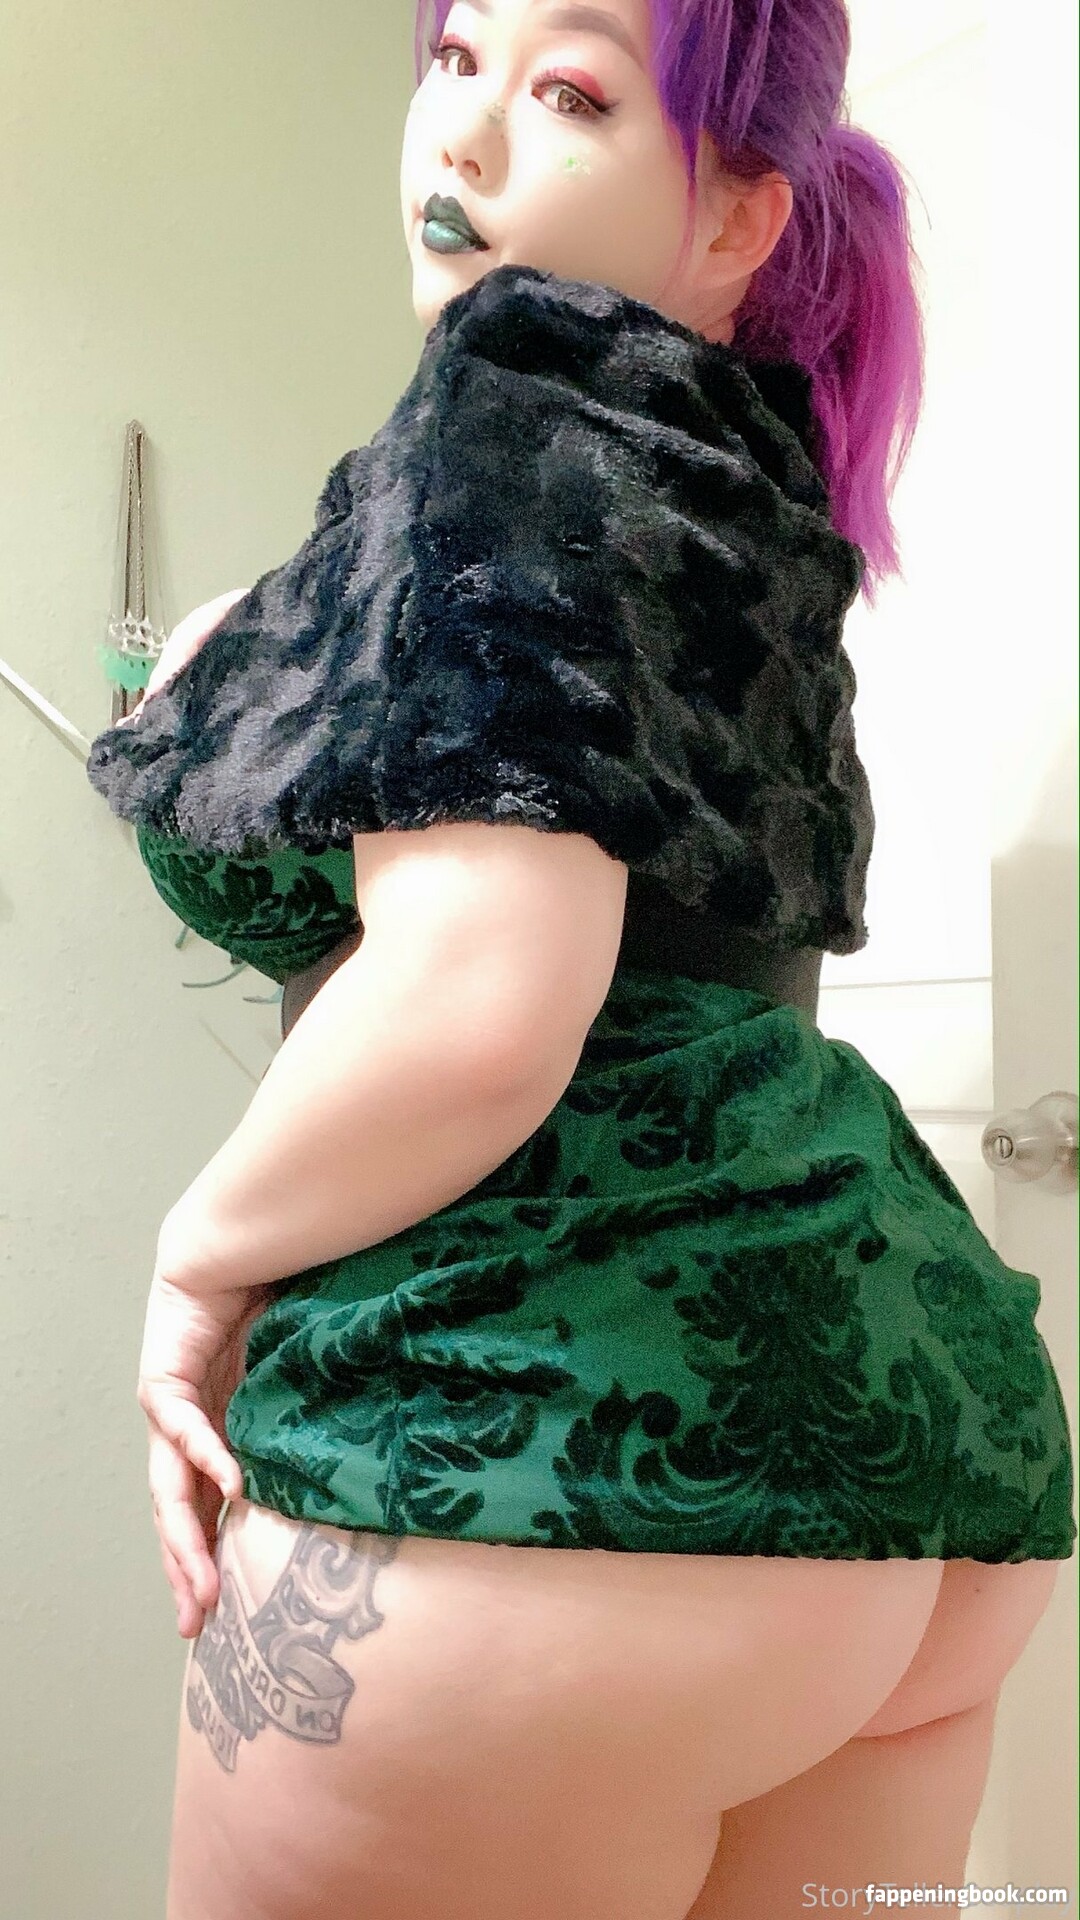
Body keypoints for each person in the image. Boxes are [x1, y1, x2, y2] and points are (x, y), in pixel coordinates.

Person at [85, 1, 1077, 1915]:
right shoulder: (741, 474)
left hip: (536, 1452)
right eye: (454, 60)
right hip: (915, 1470)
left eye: (568, 91)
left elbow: (483, 999)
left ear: (736, 221)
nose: (461, 136)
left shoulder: (504, 405)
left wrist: (197, 1262)